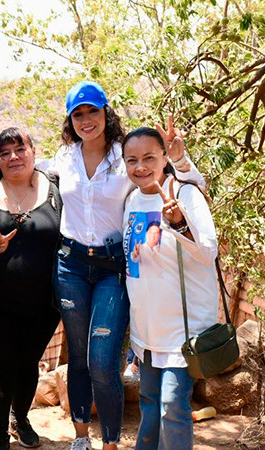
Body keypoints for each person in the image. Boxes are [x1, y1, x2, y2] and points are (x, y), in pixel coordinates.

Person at [40, 81, 204, 450]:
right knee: (79, 355)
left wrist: (179, 159)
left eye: (92, 111)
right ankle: (81, 438)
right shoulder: (64, 157)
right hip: (71, 265)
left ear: (105, 112)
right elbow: (30, 173)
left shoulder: (126, 155)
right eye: (77, 114)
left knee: (101, 360)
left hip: (113, 268)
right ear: (70, 120)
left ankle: (111, 442)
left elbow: (188, 183)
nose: (86, 120)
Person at [0, 128, 61, 450]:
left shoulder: (54, 189)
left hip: (43, 303)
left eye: (20, 149)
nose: (13, 157)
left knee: (29, 361)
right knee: (3, 363)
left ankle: (21, 417)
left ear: (33, 151)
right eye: (5, 153)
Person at [121, 127, 217, 450]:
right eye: (132, 159)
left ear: (165, 156)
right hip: (147, 330)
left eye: (149, 157)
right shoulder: (132, 200)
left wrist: (178, 222)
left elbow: (207, 251)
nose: (141, 166)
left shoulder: (185, 193)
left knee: (173, 406)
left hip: (181, 331)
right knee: (149, 403)